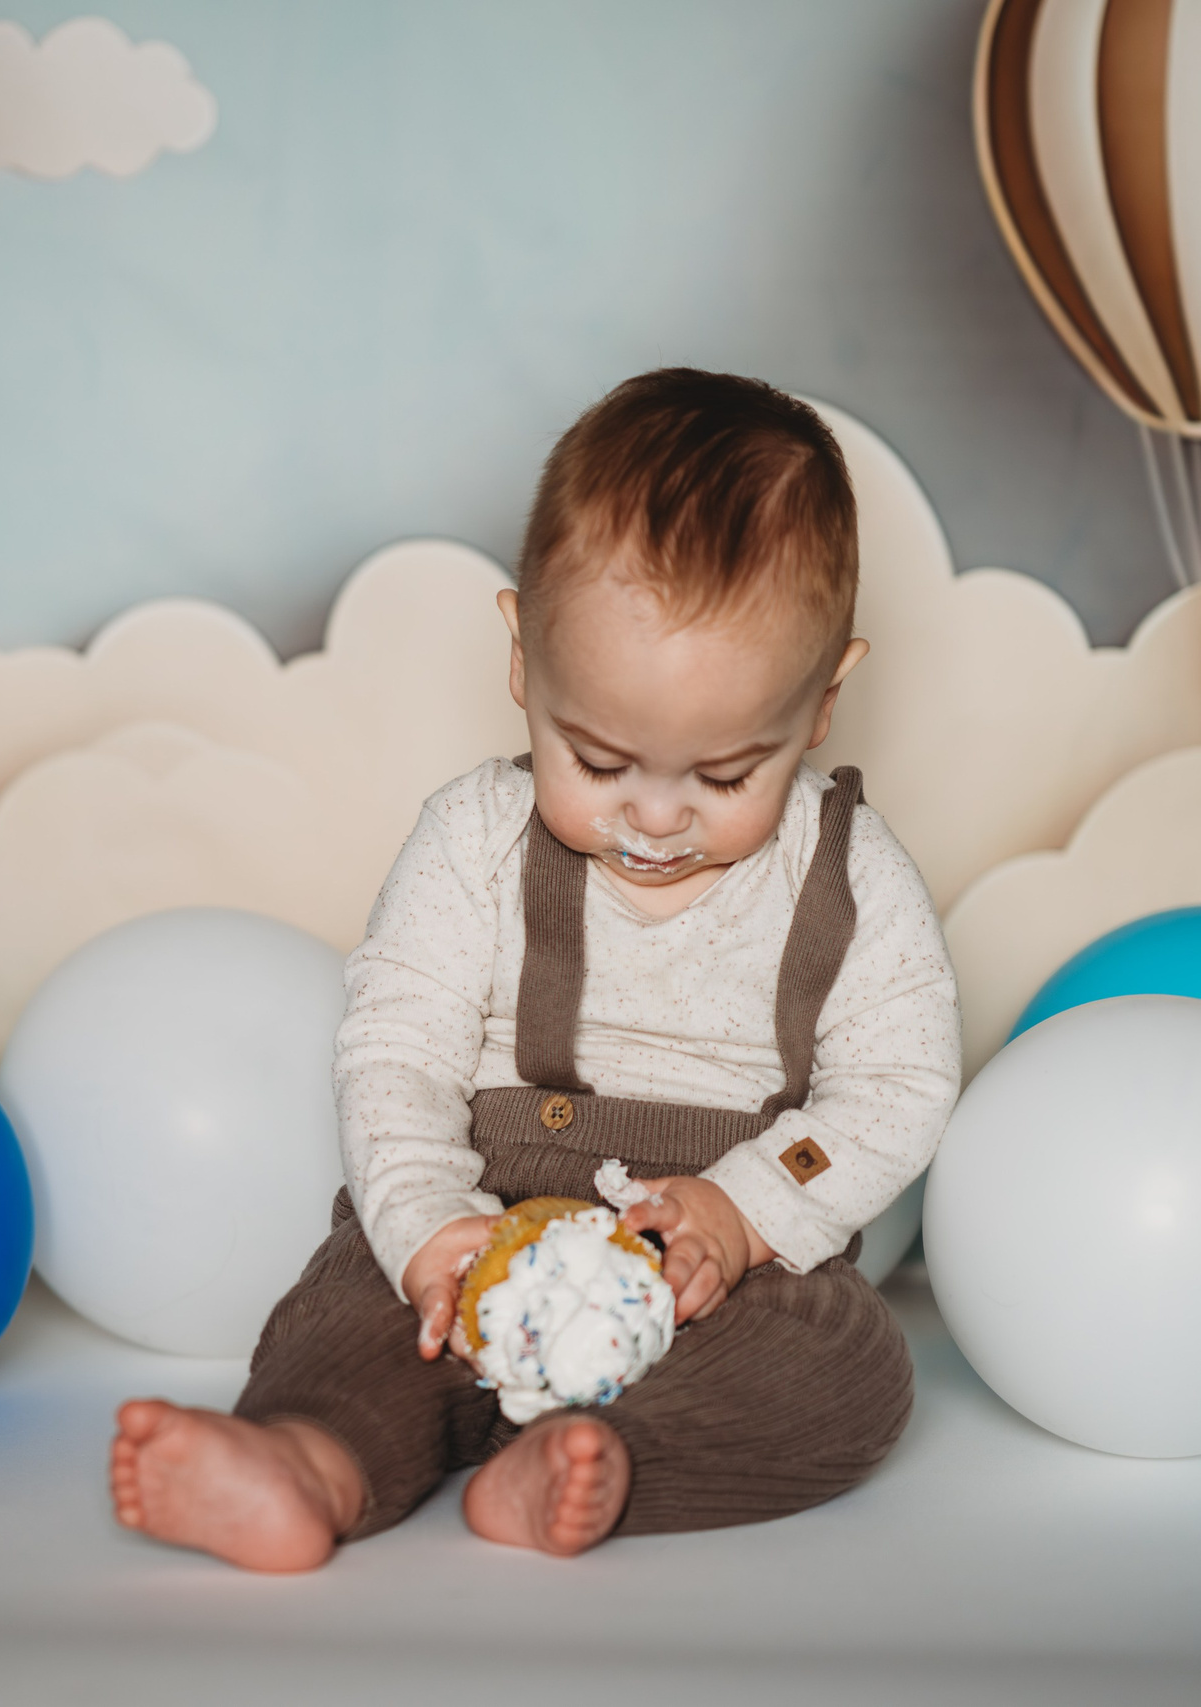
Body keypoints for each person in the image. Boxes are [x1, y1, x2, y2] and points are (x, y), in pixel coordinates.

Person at [108, 369, 962, 1570]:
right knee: (355, 1315)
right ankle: (311, 1460)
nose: (654, 820)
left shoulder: (851, 875)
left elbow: (894, 1088)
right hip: (487, 1201)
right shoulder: (471, 842)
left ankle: (598, 1465)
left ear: (823, 703)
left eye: (725, 778)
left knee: (842, 1366)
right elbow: (396, 1053)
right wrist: (427, 1226)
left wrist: (753, 1208)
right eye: (599, 760)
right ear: (522, 659)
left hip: (714, 1257)